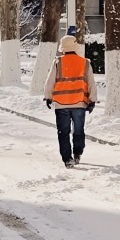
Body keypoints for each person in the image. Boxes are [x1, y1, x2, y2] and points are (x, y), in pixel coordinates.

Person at [44, 35, 97, 167]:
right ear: (75, 47)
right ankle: (78, 153)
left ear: (63, 49)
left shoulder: (58, 62)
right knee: (78, 130)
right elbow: (91, 83)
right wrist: (92, 100)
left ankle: (67, 159)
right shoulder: (85, 63)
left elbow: (50, 81)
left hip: (61, 104)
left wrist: (48, 96)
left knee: (63, 132)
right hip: (79, 103)